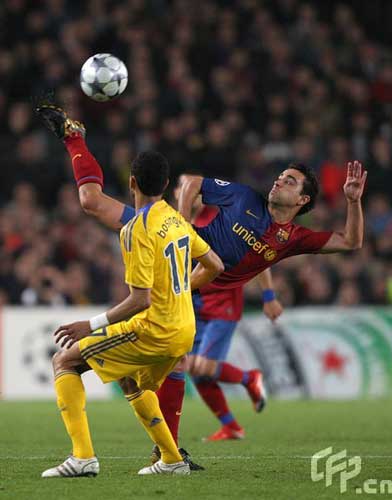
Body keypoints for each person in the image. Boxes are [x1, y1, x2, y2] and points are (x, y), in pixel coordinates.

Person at [36, 103, 366, 465]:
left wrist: (352, 201)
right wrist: (181, 224)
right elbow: (192, 182)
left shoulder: (294, 238)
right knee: (91, 202)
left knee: (175, 368)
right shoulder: (243, 197)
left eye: (290, 181)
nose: (278, 180)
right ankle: (74, 138)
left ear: (302, 200)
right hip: (175, 250)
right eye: (280, 175)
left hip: (192, 291)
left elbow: (350, 241)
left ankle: (167, 455)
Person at [37, 110, 224, 477]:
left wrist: (89, 324)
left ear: (132, 182)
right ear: (168, 183)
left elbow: (140, 298)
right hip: (181, 326)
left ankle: (87, 457)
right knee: (133, 379)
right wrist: (178, 288)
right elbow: (215, 265)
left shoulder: (134, 228)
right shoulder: (176, 219)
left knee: (67, 361)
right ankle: (171, 459)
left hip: (154, 324)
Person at [172, 176, 283, 442]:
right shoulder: (185, 226)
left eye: (187, 189)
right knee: (193, 368)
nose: (182, 194)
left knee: (204, 366)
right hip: (197, 305)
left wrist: (269, 295)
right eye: (178, 190)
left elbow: (260, 254)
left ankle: (249, 378)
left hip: (224, 303)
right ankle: (231, 426)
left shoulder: (223, 217)